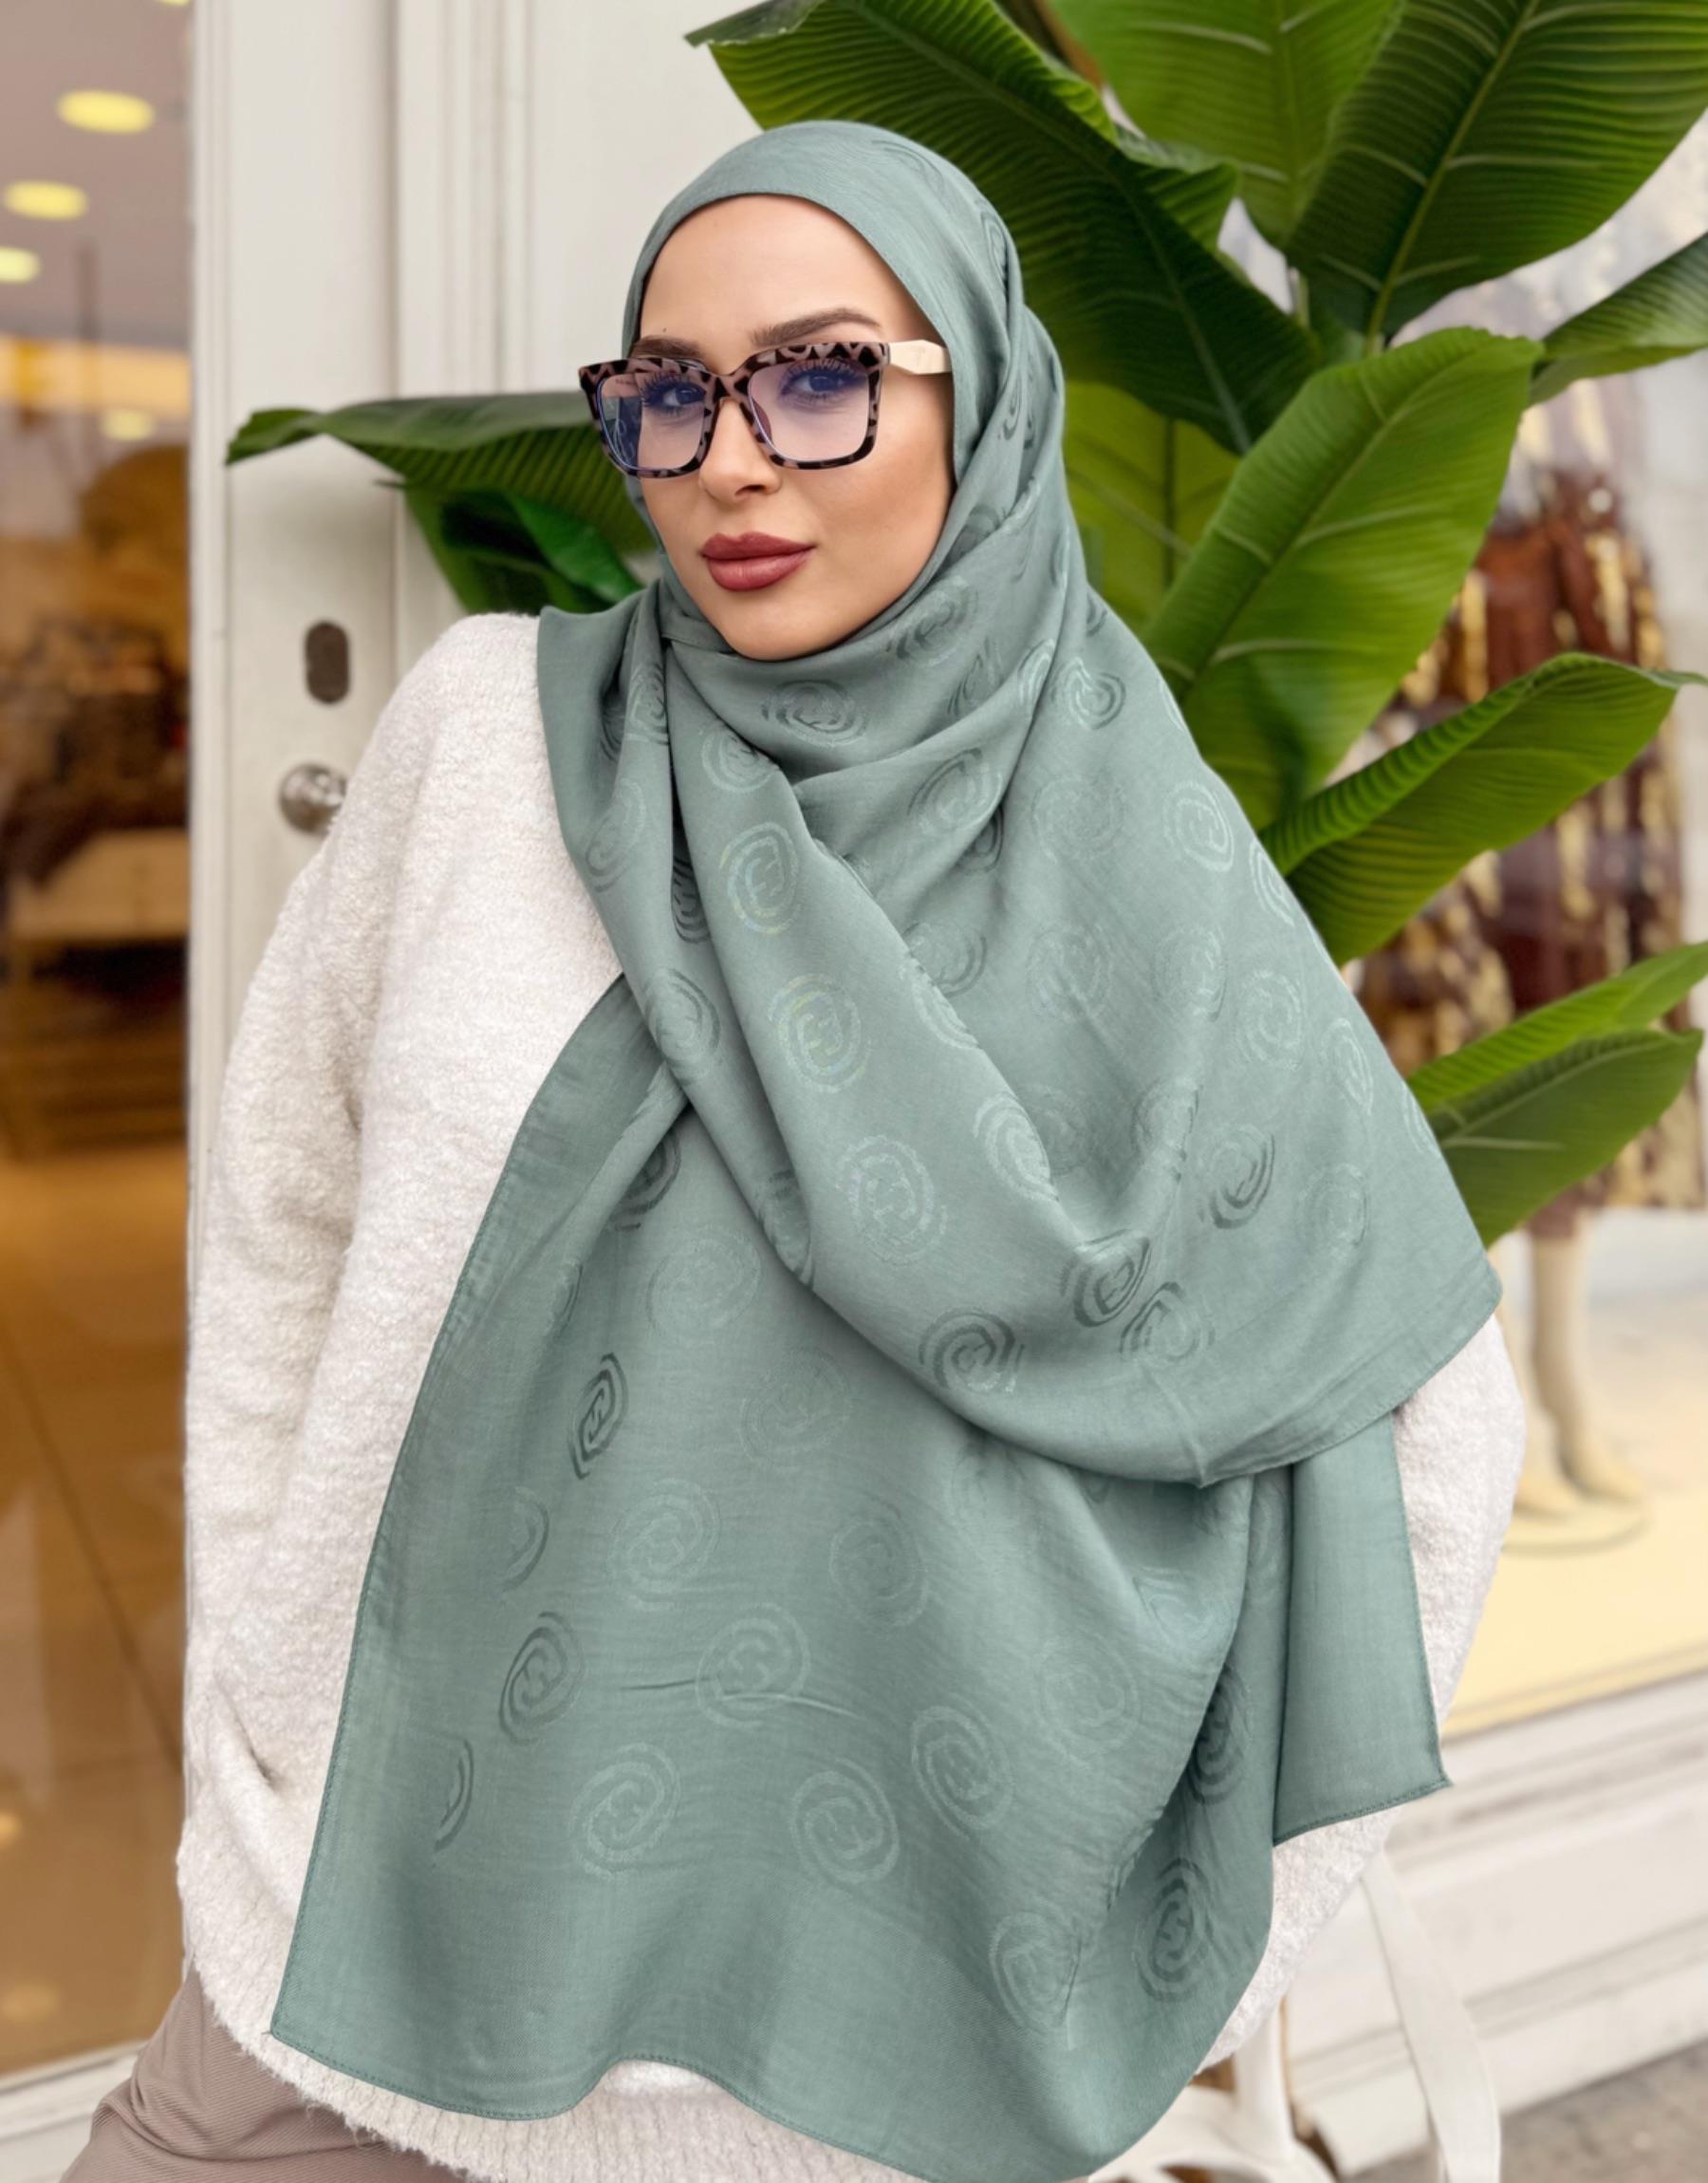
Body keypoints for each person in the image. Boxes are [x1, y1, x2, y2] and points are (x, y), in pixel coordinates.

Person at [65, 121, 1527, 2183]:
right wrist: (270, 1691)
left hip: (884, 2064)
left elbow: (1424, 1414)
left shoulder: (1151, 863)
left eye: (821, 377)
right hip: (365, 1922)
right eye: (669, 392)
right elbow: (286, 1218)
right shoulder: (491, 737)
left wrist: (1214, 1944)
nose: (730, 463)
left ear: (979, 406)